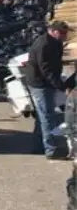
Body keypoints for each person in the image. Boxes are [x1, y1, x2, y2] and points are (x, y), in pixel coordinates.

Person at [25, 20, 73, 159]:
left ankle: (38, 146)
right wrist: (61, 86)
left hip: (47, 82)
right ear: (53, 31)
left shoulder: (55, 42)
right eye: (62, 33)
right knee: (47, 117)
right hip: (40, 83)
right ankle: (51, 150)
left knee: (43, 116)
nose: (64, 36)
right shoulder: (44, 44)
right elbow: (46, 70)